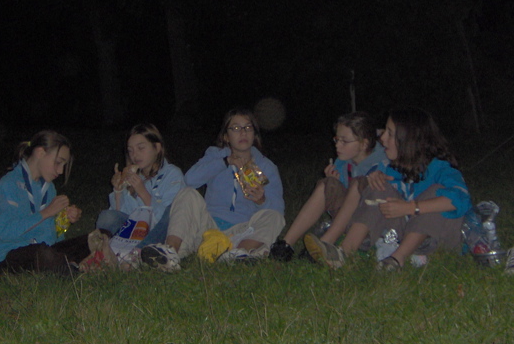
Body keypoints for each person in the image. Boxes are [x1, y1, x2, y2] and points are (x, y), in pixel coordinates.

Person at [304, 107, 471, 270]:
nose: (382, 138)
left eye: (389, 133)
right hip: (399, 233)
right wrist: (373, 178)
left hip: (437, 238)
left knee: (437, 192)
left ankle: (397, 260)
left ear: (408, 139)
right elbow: (363, 192)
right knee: (378, 186)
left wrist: (410, 208)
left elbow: (460, 198)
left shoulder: (440, 168)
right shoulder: (390, 168)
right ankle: (343, 253)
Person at [141, 107, 285, 270]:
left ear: (254, 134)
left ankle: (239, 254)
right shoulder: (215, 155)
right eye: (236, 128)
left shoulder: (267, 167)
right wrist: (225, 161)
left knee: (274, 216)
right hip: (208, 229)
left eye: (248, 127)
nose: (243, 132)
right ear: (226, 136)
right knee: (187, 194)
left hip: (242, 231)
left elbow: (278, 209)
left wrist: (262, 201)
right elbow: (189, 180)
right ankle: (170, 251)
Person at [270, 111, 386, 261]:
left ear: (364, 144)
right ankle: (286, 244)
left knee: (359, 183)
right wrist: (334, 181)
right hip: (346, 219)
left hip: (370, 223)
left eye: (344, 141)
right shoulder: (342, 162)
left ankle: (325, 244)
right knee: (327, 185)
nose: (337, 145)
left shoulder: (382, 162)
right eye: (337, 139)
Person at [0, 130, 87, 274]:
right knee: (42, 254)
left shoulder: (49, 188)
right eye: (58, 162)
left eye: (64, 165)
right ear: (40, 153)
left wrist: (63, 219)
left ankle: (67, 263)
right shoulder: (9, 184)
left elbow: (54, 236)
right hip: (9, 253)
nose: (61, 171)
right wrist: (46, 213)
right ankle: (71, 267)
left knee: (95, 238)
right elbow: (6, 232)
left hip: (44, 250)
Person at [95, 123, 184, 248]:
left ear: (157, 148)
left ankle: (136, 251)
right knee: (106, 217)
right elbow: (121, 215)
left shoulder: (172, 174)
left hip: (159, 233)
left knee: (171, 212)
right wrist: (118, 190)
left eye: (141, 148)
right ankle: (115, 249)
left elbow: (169, 218)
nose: (135, 155)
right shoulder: (132, 175)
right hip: (135, 232)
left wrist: (142, 192)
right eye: (130, 150)